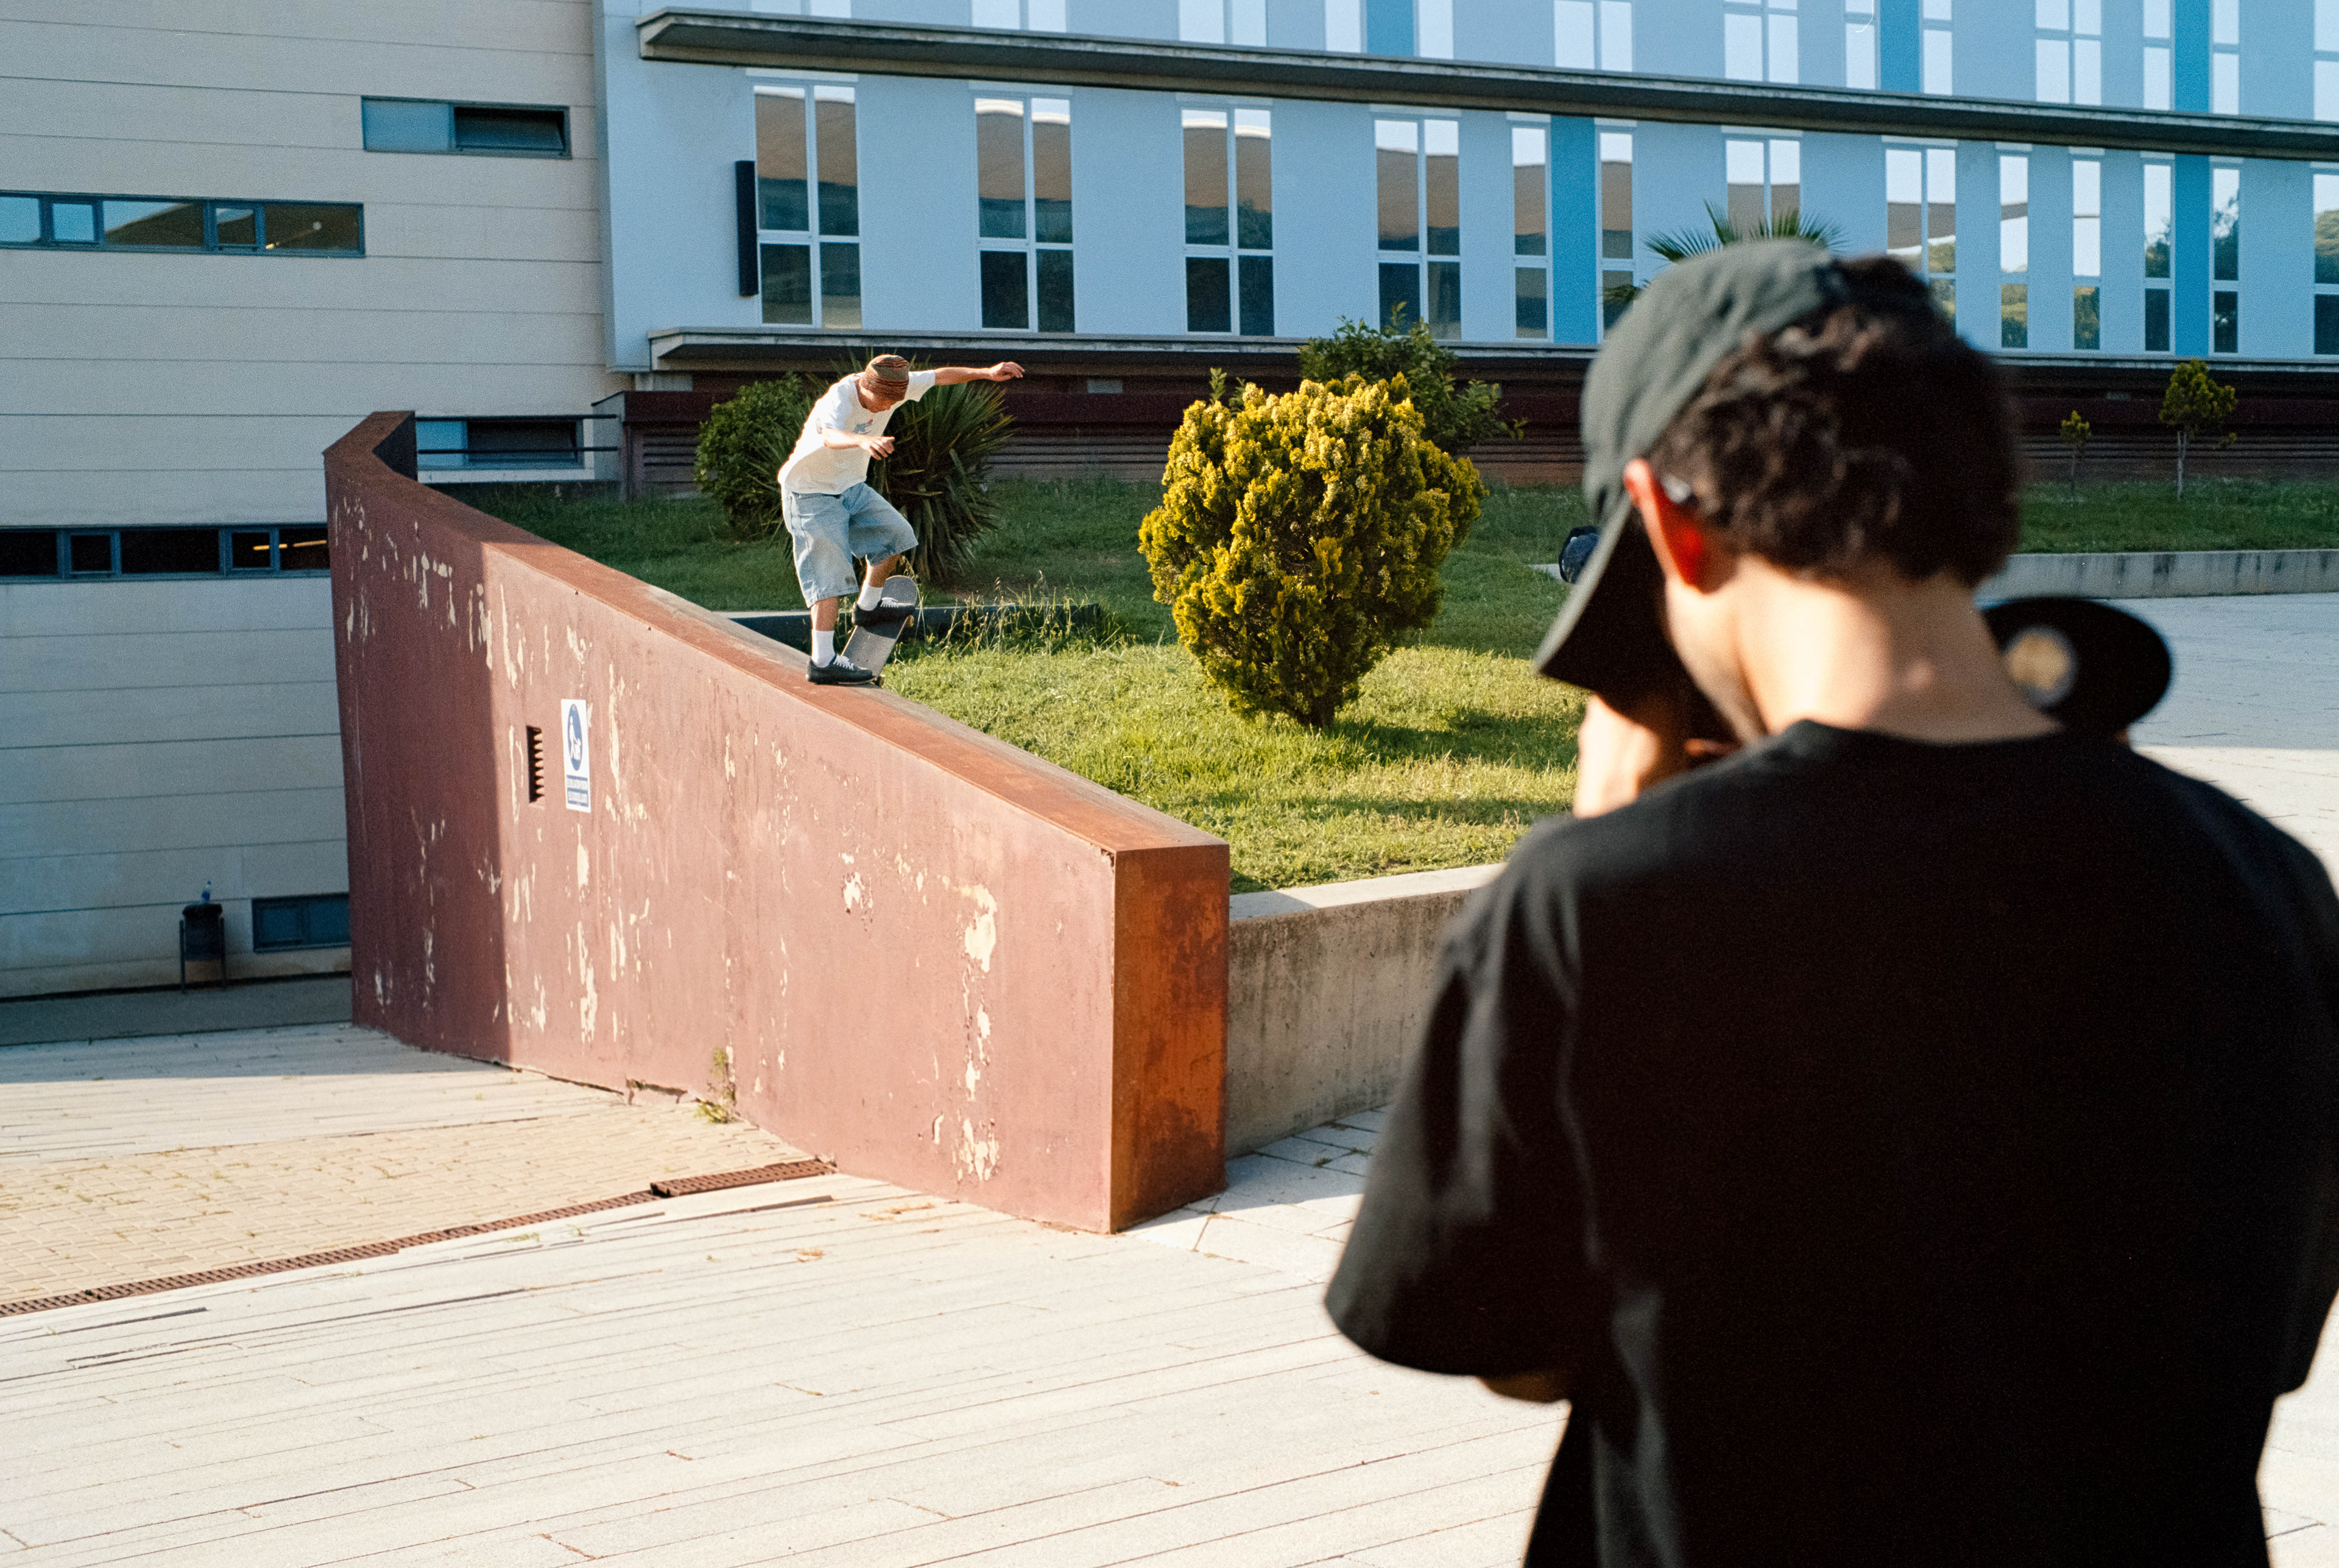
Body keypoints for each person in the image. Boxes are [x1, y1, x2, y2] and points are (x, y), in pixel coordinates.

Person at [1325, 242, 2339, 1566]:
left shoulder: (1594, 912)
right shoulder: (2267, 885)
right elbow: (2263, 1341)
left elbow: (1511, 1348)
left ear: (1672, 523)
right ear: (1977, 495)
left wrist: (1607, 835)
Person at [778, 353, 1023, 684]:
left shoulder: (898, 385)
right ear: (866, 388)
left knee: (896, 535)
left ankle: (868, 607)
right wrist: (862, 439)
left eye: (892, 402)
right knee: (829, 577)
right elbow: (829, 436)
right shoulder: (840, 397)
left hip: (850, 488)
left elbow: (940, 376)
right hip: (809, 493)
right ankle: (822, 661)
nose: (886, 408)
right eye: (881, 402)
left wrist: (986, 373)